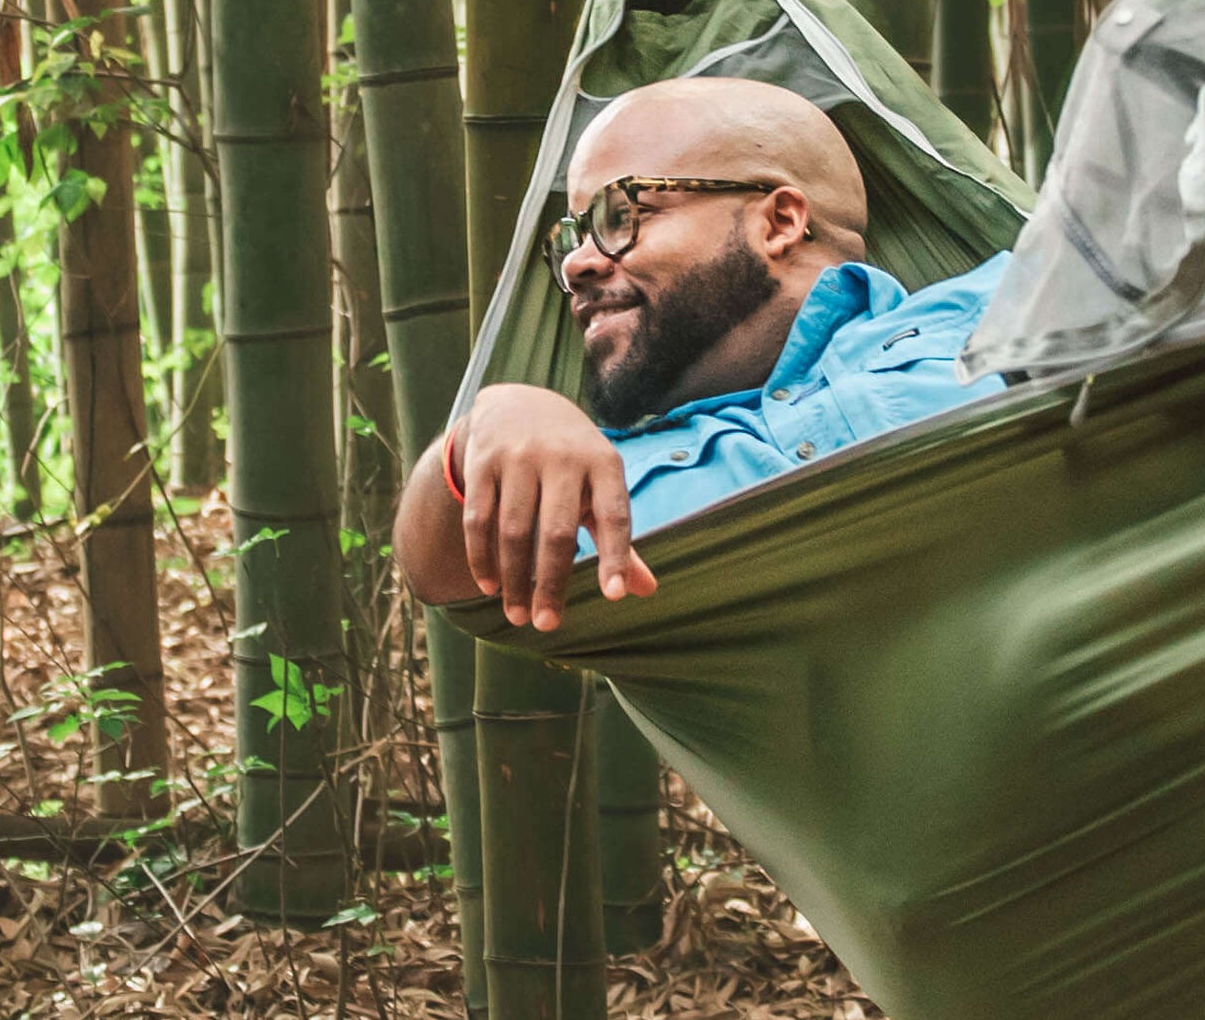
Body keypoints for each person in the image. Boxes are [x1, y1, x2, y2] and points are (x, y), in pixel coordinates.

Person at [399, 75, 1010, 633]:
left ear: (779, 222)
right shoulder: (595, 485)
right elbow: (442, 575)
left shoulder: (1010, 302)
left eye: (621, 214)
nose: (576, 263)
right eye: (572, 236)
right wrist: (480, 434)